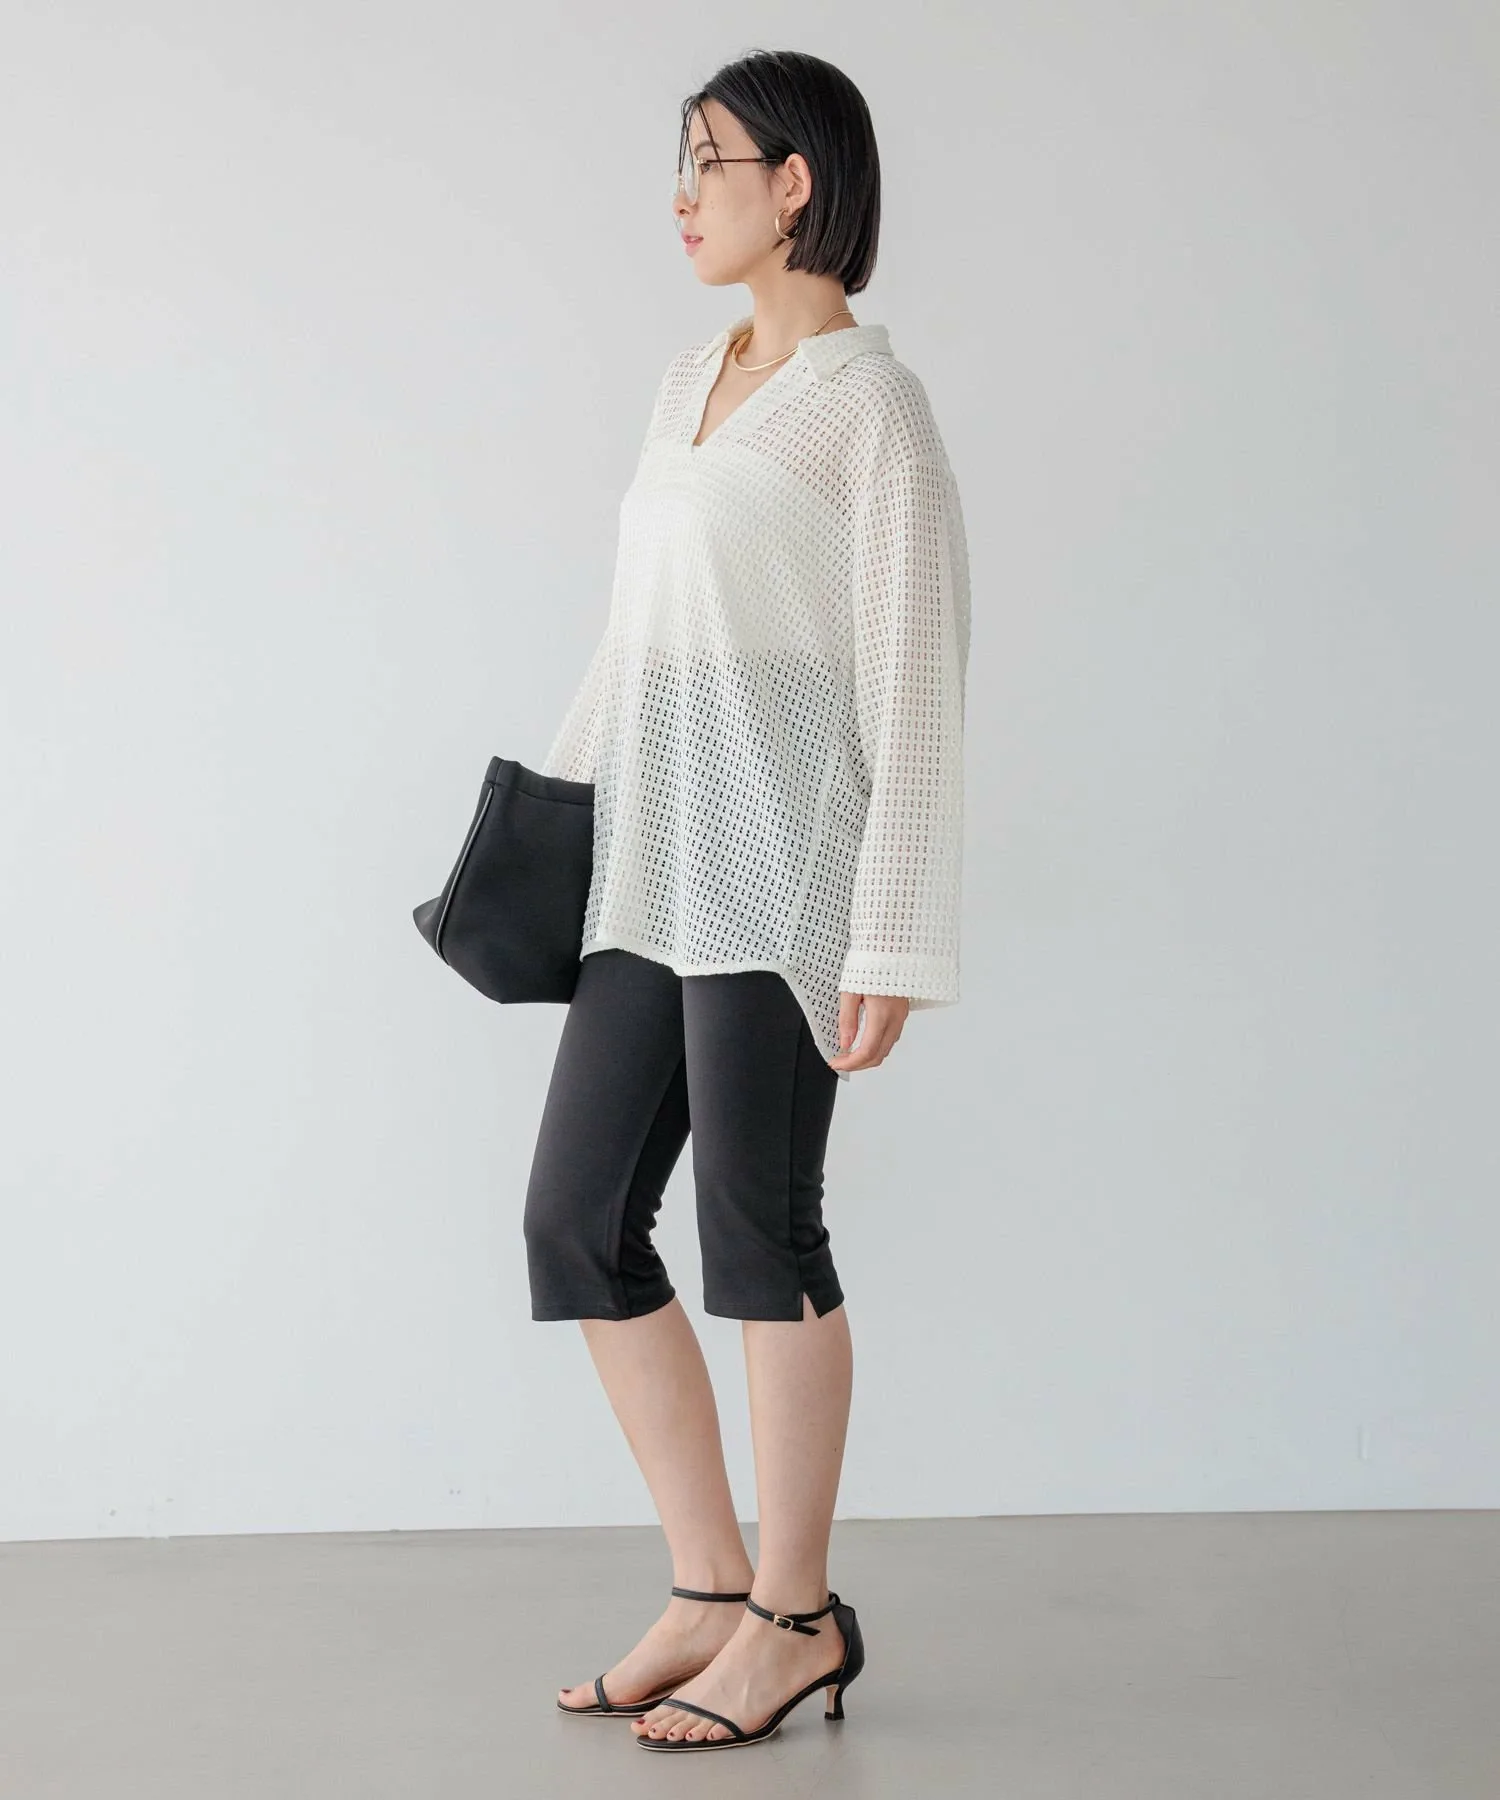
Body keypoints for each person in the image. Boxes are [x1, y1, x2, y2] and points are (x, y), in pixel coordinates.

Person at [526, 48, 970, 1752]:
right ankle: (711, 1588)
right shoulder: (687, 382)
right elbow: (640, 643)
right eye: (680, 160)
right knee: (575, 1221)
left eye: (707, 160)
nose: (680, 191)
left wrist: (894, 931)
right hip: (652, 862)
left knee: (759, 1237)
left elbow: (914, 682)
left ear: (796, 183)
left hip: (784, 875)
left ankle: (796, 1618)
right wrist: (546, 829)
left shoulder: (873, 411)